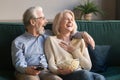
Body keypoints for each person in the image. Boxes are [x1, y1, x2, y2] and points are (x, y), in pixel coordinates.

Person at [11, 6, 95, 80]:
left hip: (45, 71)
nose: (46, 21)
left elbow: (66, 32)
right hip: (26, 72)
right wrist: (27, 69)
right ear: (33, 22)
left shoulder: (48, 34)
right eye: (42, 18)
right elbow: (18, 64)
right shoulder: (18, 42)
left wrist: (83, 34)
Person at [44, 10, 105, 80]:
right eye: (67, 19)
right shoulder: (51, 40)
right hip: (64, 74)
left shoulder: (80, 40)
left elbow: (88, 66)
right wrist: (58, 71)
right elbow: (51, 64)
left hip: (81, 72)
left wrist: (74, 51)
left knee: (100, 77)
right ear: (59, 23)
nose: (70, 21)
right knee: (85, 74)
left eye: (72, 19)